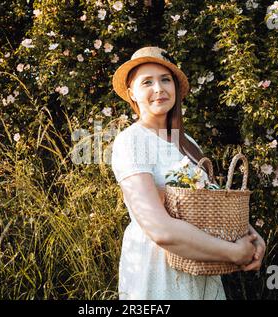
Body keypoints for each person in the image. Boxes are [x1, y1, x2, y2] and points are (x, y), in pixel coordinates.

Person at [110, 46, 266, 300]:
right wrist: (232, 252)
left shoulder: (188, 143)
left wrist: (252, 236)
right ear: (132, 94)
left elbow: (213, 205)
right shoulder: (132, 141)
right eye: (147, 82)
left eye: (165, 80)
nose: (159, 89)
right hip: (157, 268)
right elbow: (159, 229)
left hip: (202, 264)